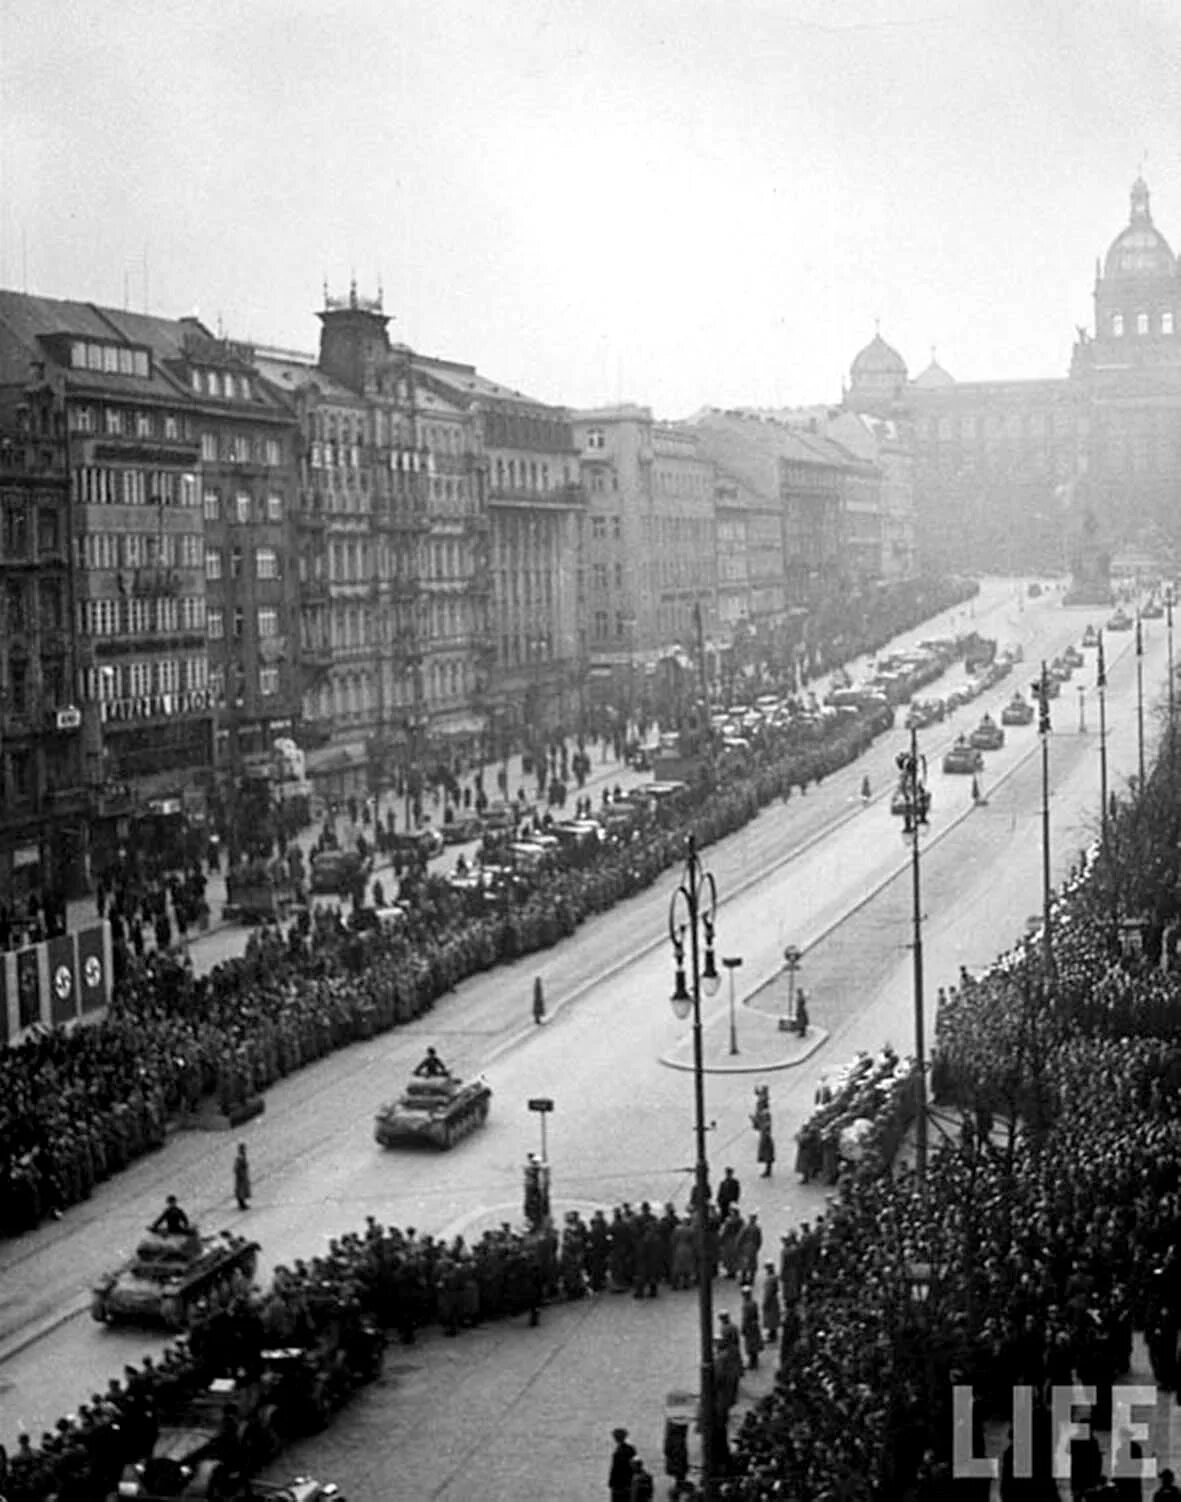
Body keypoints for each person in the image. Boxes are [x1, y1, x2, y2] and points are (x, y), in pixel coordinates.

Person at [609, 1427, 637, 1502]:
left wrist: (611, 1482)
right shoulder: (631, 1448)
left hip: (619, 1484)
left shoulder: (618, 1453)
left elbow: (615, 1469)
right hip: (629, 1481)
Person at [233, 1144, 251, 1212]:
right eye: (243, 1149)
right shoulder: (239, 1157)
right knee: (241, 1191)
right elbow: (236, 1168)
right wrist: (240, 1174)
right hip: (241, 1177)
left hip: (243, 1176)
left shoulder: (242, 1156)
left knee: (242, 1190)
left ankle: (242, 1203)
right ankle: (241, 1204)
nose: (244, 1150)